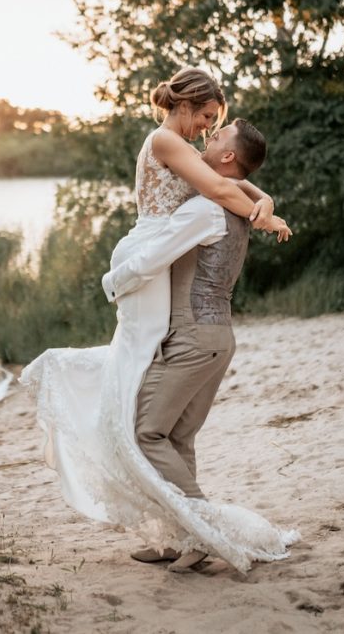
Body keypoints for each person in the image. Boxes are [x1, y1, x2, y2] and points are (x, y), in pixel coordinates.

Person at [21, 68, 298, 574]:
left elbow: (229, 182)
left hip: (160, 267)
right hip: (153, 252)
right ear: (188, 105)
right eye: (207, 118)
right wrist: (262, 210)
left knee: (149, 416)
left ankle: (189, 531)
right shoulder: (164, 139)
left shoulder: (191, 166)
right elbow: (222, 183)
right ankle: (180, 531)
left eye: (215, 125)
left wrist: (265, 203)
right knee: (141, 385)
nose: (207, 130)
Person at [103, 118, 295, 572]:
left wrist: (112, 282)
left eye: (217, 134)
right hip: (218, 337)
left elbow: (152, 259)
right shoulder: (231, 203)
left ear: (228, 157)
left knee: (146, 432)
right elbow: (247, 189)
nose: (207, 137)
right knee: (177, 437)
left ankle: (203, 530)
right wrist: (265, 199)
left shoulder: (206, 210)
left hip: (192, 337)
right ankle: (177, 539)